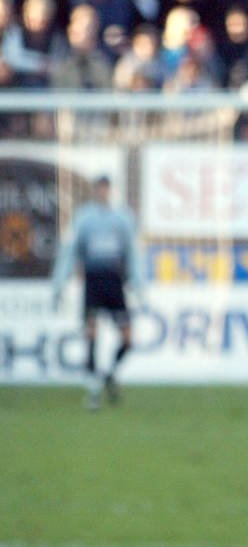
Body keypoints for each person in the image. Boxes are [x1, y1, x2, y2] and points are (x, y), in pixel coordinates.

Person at [51, 175, 143, 409]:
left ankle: (109, 374)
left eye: (106, 189)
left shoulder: (122, 218)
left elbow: (132, 252)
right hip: (93, 279)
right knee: (91, 334)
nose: (103, 192)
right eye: (99, 189)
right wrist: (60, 282)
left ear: (111, 190)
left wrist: (138, 282)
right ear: (95, 191)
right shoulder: (84, 218)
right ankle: (93, 392)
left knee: (128, 339)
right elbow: (70, 251)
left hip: (114, 280)